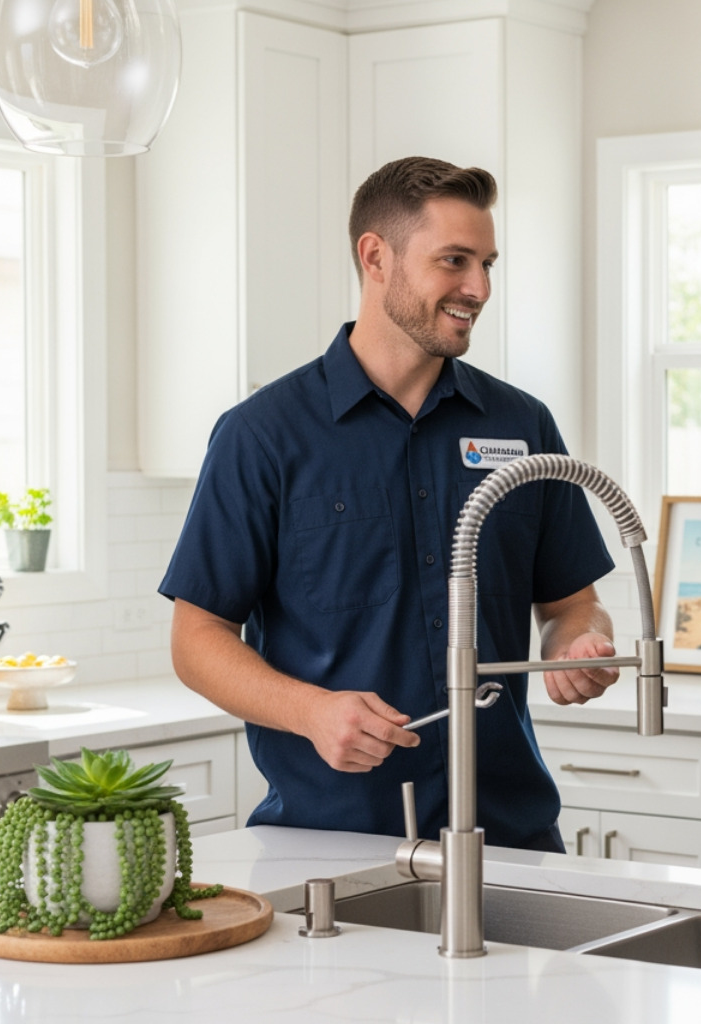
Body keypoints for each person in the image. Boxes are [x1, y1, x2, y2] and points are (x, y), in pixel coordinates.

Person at [160, 157, 620, 853]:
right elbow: (197, 640)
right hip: (328, 843)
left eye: (487, 264)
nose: (479, 288)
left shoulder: (522, 425)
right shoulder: (263, 435)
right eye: (454, 261)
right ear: (376, 257)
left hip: (511, 841)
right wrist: (311, 711)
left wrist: (575, 645)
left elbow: (571, 603)